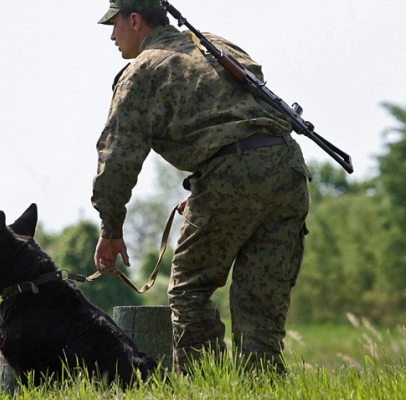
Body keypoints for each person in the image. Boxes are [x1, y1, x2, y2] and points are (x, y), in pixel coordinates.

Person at [91, 0, 310, 374]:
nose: (112, 35)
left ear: (134, 20)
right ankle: (264, 388)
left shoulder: (141, 72)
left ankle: (205, 387)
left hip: (231, 173)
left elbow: (117, 158)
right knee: (260, 303)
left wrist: (111, 228)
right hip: (287, 168)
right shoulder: (215, 44)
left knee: (189, 290)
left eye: (114, 24)